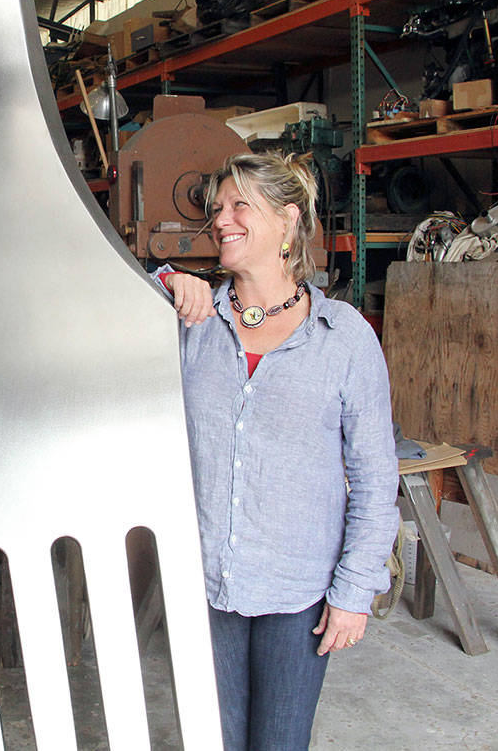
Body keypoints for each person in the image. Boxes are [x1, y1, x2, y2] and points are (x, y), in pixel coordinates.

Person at [160, 152, 398, 750]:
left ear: (288, 222)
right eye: (217, 208)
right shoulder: (194, 320)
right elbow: (106, 293)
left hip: (299, 591)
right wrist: (165, 278)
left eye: (241, 205)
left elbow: (374, 477)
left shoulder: (344, 336)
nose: (222, 220)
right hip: (207, 578)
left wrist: (354, 592)